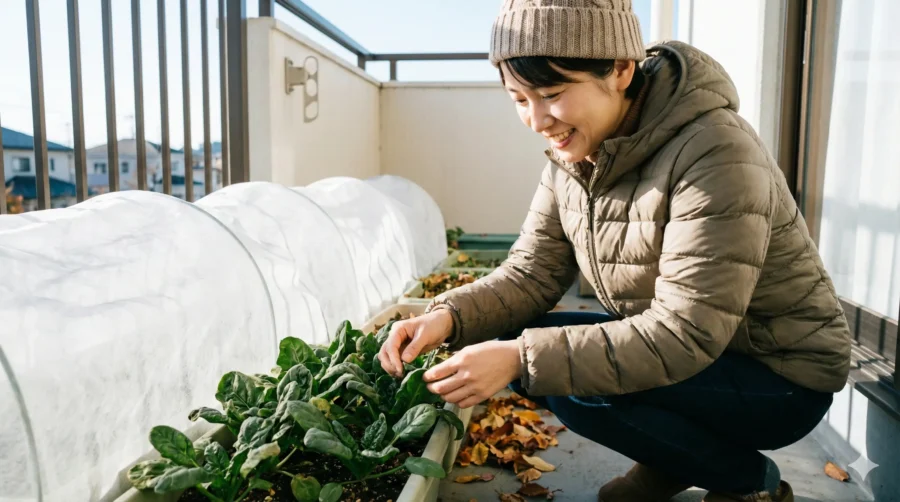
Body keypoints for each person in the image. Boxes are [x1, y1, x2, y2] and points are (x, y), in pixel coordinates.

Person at [378, 1, 852, 501]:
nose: (537, 119)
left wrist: (518, 358)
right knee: (521, 338)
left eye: (552, 94)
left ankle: (746, 482)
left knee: (559, 375)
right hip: (698, 362)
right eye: (518, 99)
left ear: (622, 69)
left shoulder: (714, 150)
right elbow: (530, 273)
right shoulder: (574, 156)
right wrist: (448, 316)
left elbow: (684, 333)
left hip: (778, 379)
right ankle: (675, 462)